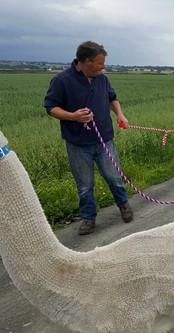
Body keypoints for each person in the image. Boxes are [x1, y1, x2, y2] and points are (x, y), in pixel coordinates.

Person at [44, 40, 133, 235]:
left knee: (113, 177)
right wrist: (73, 116)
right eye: (100, 63)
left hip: (105, 140)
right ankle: (88, 218)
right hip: (78, 143)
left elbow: (112, 98)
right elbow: (51, 107)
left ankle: (124, 205)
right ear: (85, 61)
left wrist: (120, 114)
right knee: (85, 185)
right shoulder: (62, 80)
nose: (103, 67)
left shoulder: (102, 79)